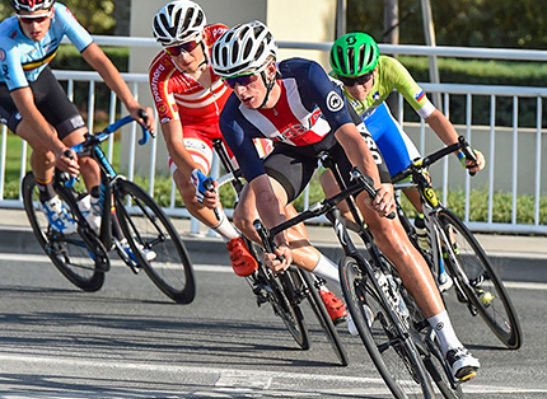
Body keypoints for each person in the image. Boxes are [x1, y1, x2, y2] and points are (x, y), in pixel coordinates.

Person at [210, 21, 480, 382]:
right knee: (262, 209)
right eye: (231, 81)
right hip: (293, 152)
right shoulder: (233, 118)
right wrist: (277, 239)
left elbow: (353, 140)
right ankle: (354, 280)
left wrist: (376, 185)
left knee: (386, 228)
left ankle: (450, 342)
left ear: (270, 67)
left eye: (246, 78)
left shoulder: (307, 75)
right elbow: (262, 190)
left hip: (340, 141)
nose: (240, 90)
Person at [326, 32, 486, 289]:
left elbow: (431, 115)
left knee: (423, 189)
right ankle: (388, 260)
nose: (357, 89)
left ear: (376, 69)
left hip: (381, 126)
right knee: (375, 209)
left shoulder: (390, 68)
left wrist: (462, 152)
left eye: (364, 79)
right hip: (354, 140)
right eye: (349, 82)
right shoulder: (330, 90)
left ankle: (455, 268)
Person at [0, 0, 155, 251]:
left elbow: (98, 60)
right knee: (48, 143)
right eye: (26, 20)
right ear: (17, 17)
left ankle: (100, 212)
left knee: (85, 151)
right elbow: (26, 107)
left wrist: (131, 103)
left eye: (41, 18)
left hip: (40, 77)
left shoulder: (61, 15)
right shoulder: (7, 40)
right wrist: (58, 148)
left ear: (51, 12)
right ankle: (48, 197)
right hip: (7, 92)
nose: (35, 26)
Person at [148, 1, 279, 285]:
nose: (182, 56)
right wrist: (198, 177)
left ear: (202, 35)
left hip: (237, 120)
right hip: (197, 129)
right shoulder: (160, 74)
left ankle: (317, 284)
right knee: (185, 182)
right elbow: (174, 142)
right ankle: (233, 240)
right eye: (173, 50)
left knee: (272, 189)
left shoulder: (221, 38)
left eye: (188, 45)